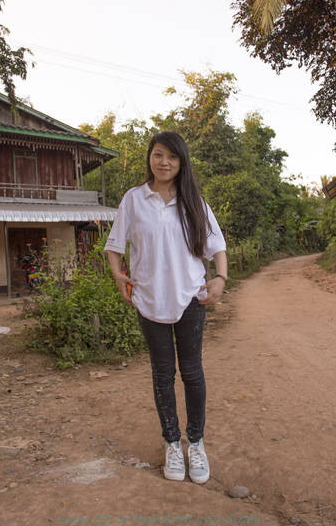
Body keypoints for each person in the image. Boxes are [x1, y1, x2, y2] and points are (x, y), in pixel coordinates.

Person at [104, 131, 228, 484]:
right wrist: (118, 275)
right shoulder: (133, 200)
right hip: (149, 301)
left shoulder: (194, 202)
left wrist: (219, 278)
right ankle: (173, 444)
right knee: (162, 374)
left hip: (190, 298)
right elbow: (115, 244)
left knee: (191, 372)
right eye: (158, 155)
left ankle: (197, 443)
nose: (164, 162)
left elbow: (217, 246)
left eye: (172, 157)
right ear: (149, 158)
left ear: (181, 162)